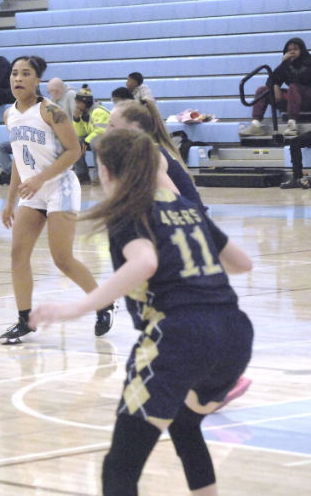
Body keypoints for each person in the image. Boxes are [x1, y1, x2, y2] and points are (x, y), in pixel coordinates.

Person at [30, 129, 254, 496]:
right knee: (184, 423)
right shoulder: (186, 207)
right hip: (234, 333)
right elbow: (241, 263)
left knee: (121, 467)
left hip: (178, 337)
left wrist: (79, 307)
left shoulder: (129, 211)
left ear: (105, 171)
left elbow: (145, 261)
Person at [108, 99, 254, 409]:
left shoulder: (149, 156)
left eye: (112, 125)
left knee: (169, 309)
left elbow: (172, 198)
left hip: (182, 227)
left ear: (132, 129)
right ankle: (204, 382)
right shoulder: (146, 154)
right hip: (183, 227)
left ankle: (210, 383)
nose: (106, 130)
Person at [0, 56, 115, 345]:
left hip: (60, 186)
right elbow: (18, 158)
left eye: (26, 74)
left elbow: (74, 151)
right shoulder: (8, 114)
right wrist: (10, 200)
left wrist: (40, 178)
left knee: (62, 258)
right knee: (17, 254)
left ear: (37, 80)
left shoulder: (50, 111)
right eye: (14, 74)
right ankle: (25, 320)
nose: (18, 79)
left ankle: (104, 304)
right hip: (32, 191)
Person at [239, 37, 311, 138]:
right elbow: (272, 79)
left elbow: (300, 79)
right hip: (296, 99)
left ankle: (292, 125)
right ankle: (256, 125)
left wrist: (285, 63)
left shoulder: (310, 62)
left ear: (302, 50)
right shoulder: (287, 63)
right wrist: (275, 86)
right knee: (263, 90)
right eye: (289, 50)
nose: (292, 52)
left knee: (293, 87)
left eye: (295, 49)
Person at [73, 84, 110, 184]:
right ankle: (82, 175)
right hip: (93, 139)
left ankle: (100, 176)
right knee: (75, 142)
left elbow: (100, 131)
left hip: (109, 140)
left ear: (85, 103)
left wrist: (85, 142)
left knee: (95, 142)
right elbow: (80, 133)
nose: (76, 105)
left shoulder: (98, 111)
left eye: (78, 102)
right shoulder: (83, 113)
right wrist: (76, 119)